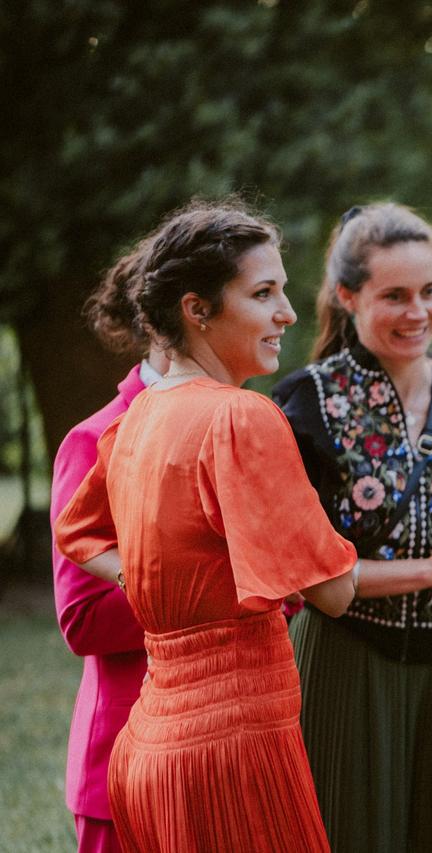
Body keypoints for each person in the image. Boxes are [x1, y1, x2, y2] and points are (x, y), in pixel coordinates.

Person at [54, 200, 432, 852]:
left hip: (152, 745)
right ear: (198, 309)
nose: (288, 314)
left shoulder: (137, 419)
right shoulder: (242, 418)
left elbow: (79, 533)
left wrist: (159, 578)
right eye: (263, 293)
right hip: (234, 751)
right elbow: (333, 590)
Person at [272, 203, 432, 853]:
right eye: (396, 296)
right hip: (342, 663)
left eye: (430, 292)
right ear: (348, 296)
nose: (418, 313)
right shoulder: (306, 403)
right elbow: (311, 573)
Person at [50, 233, 166, 853]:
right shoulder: (94, 440)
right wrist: (209, 591)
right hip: (127, 756)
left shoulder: (245, 427)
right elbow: (83, 620)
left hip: (227, 750)